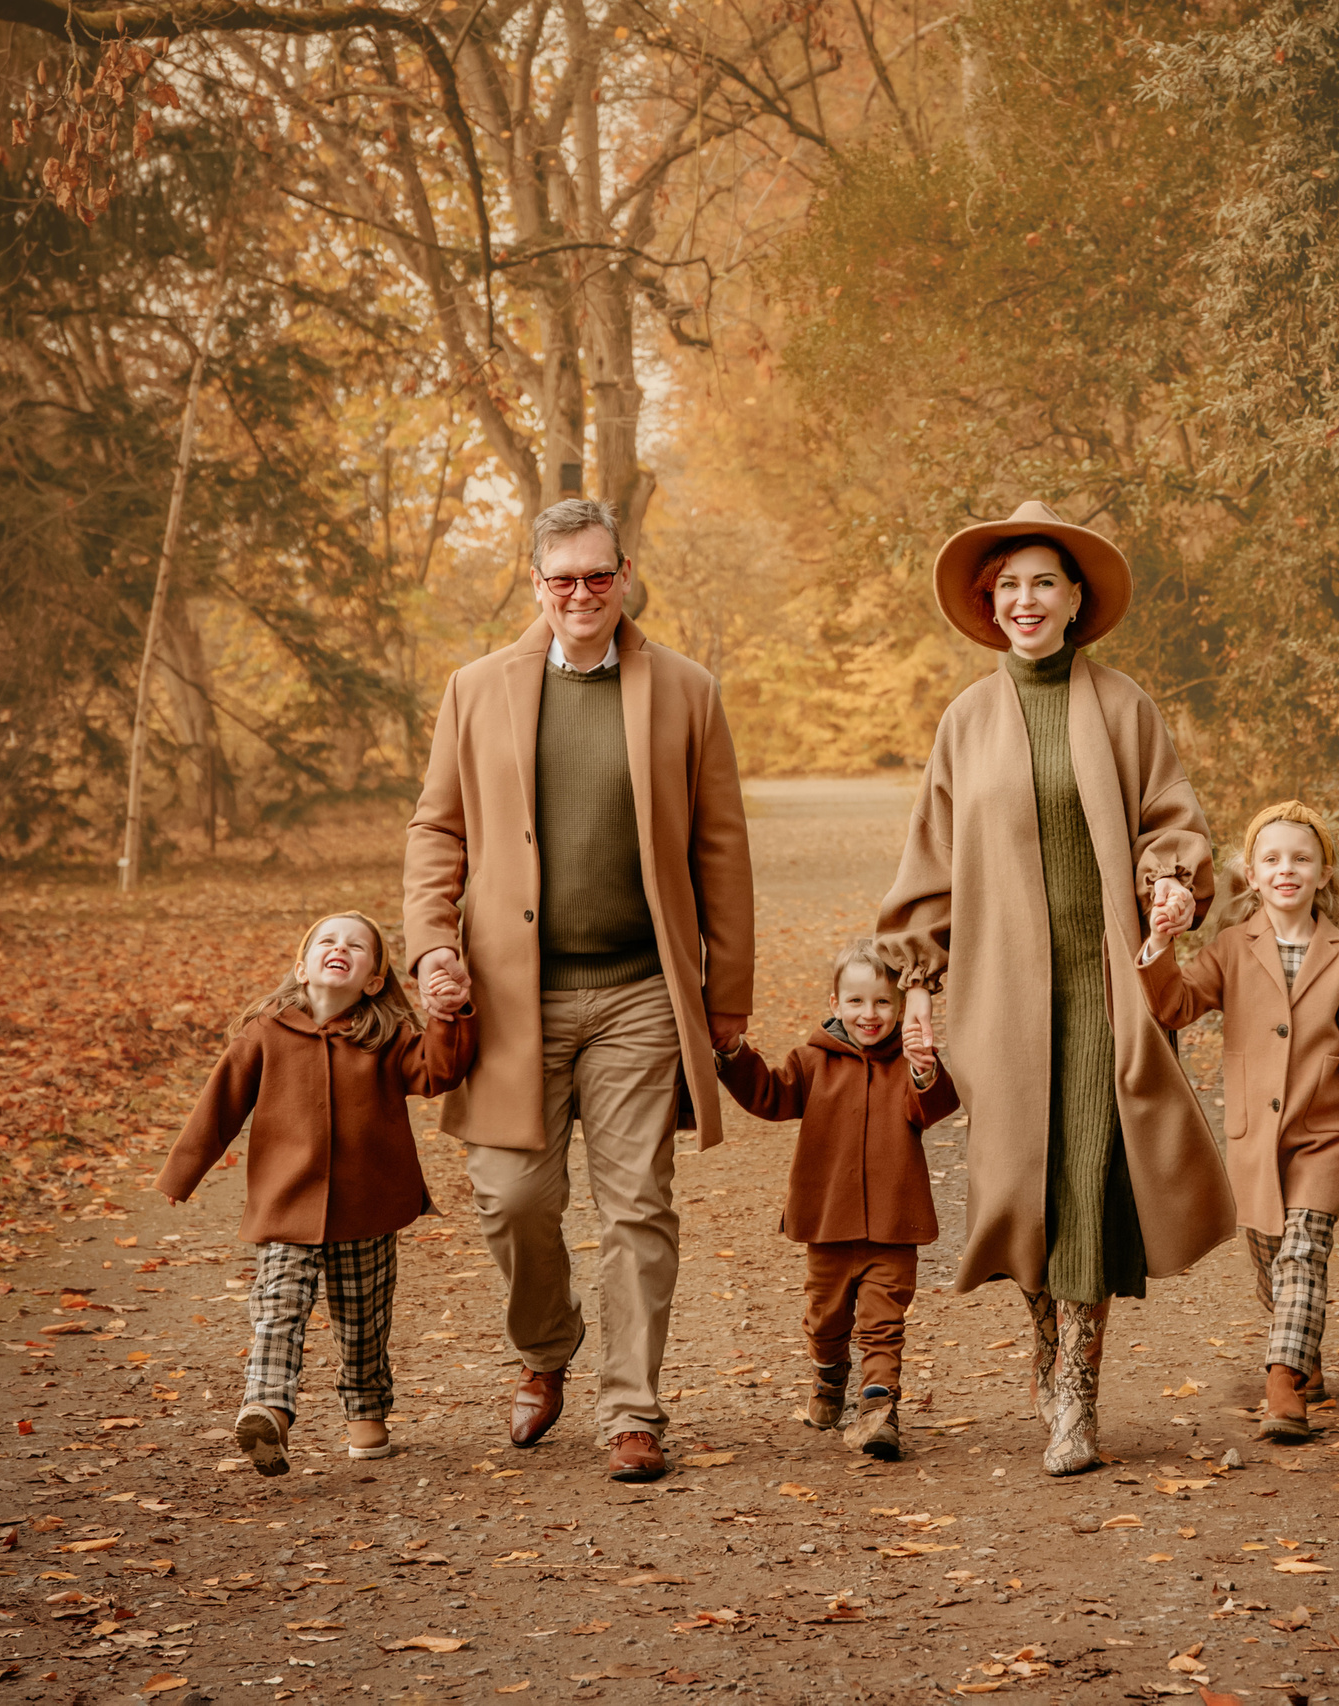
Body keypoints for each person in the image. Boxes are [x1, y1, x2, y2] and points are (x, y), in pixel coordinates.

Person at [875, 499, 1237, 1477]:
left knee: (1086, 1182)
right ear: (991, 605)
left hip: (1101, 987)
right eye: (1009, 586)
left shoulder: (1121, 706)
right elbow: (928, 868)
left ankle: (1073, 1396)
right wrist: (917, 987)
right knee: (1022, 1188)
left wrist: (1170, 880)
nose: (1025, 599)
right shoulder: (965, 720)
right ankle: (1049, 1356)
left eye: (1044, 581)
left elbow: (1176, 823)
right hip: (1000, 993)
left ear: (1076, 600)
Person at [402, 497, 755, 1484]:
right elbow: (437, 830)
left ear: (625, 572)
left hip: (641, 989)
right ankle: (547, 1342)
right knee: (513, 1196)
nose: (582, 593)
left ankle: (632, 1407)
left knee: (637, 1203)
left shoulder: (684, 690)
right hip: (514, 998)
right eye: (562, 577)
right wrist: (431, 943)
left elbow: (719, 845)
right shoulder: (477, 689)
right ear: (536, 583)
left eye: (598, 574)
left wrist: (725, 991)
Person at [154, 911, 478, 1475]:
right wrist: (182, 1173)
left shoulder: (388, 1035)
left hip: (370, 1205)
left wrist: (445, 1017)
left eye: (358, 947)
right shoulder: (266, 1032)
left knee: (363, 1321)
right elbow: (221, 1103)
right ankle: (268, 1411)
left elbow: (438, 1074)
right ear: (302, 968)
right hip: (287, 1204)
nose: (341, 949)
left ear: (374, 979)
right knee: (277, 1311)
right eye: (327, 941)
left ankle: (367, 1420)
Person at [1134, 801, 1339, 1441]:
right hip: (1255, 1135)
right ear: (1250, 875)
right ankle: (1304, 1354)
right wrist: (1161, 945)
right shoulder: (1231, 947)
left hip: (1325, 1135)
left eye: (1301, 859)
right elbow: (1175, 1006)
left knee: (1304, 1251)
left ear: (1324, 873)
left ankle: (1283, 1388)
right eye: (1272, 859)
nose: (1287, 870)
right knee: (1272, 1260)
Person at [714, 938, 961, 1461]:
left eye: (882, 1003)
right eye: (856, 1002)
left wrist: (924, 1069)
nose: (869, 1015)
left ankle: (878, 1407)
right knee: (827, 1320)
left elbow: (931, 1108)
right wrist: (734, 1053)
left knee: (882, 1322)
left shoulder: (907, 1062)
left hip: (895, 1225)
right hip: (826, 1222)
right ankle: (830, 1377)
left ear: (900, 1008)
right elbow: (770, 1096)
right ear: (835, 1005)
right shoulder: (811, 1061)